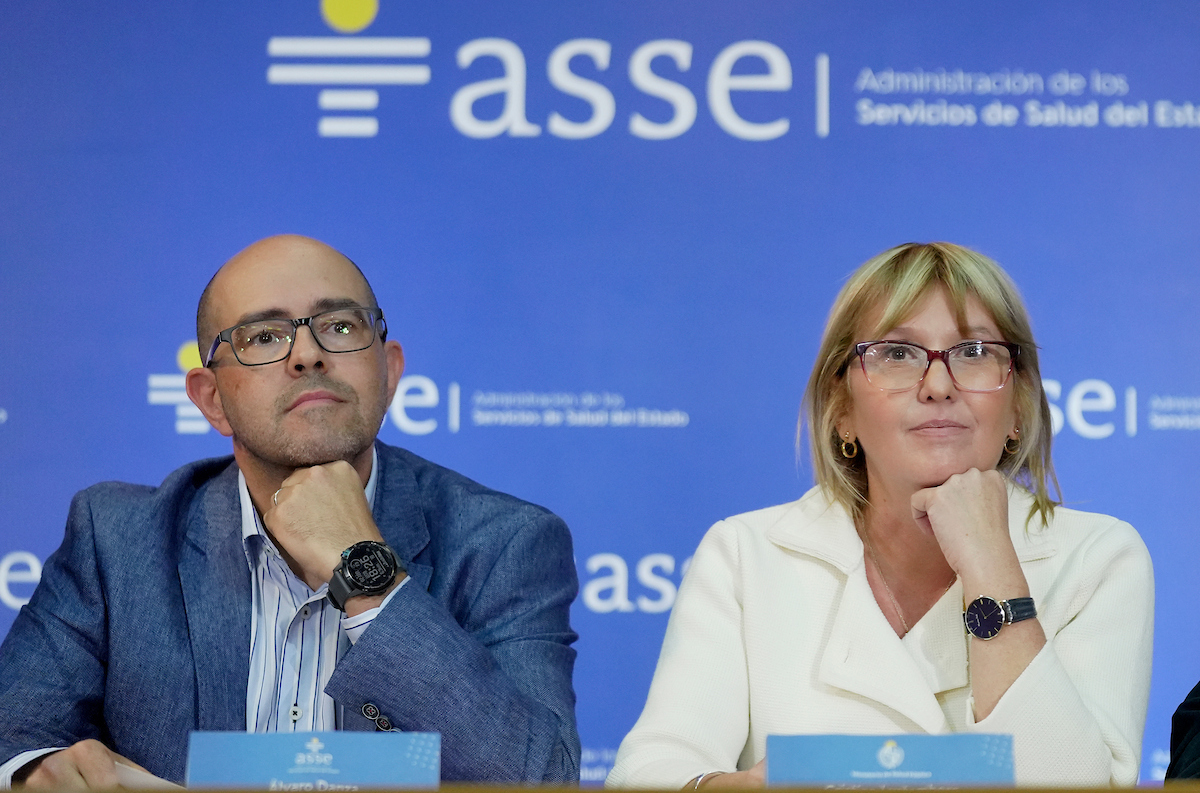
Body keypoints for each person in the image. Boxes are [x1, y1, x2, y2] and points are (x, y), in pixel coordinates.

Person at [0, 235, 580, 788]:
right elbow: (13, 735)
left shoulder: (504, 543)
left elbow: (541, 781)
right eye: (263, 337)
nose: (307, 353)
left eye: (340, 326)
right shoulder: (119, 541)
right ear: (211, 399)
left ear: (391, 371)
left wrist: (368, 574)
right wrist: (36, 771)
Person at [606, 242, 1153, 788]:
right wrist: (749, 789)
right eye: (896, 354)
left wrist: (990, 564)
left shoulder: (1098, 556)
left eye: (974, 352)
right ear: (841, 408)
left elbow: (1079, 788)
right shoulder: (748, 552)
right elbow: (649, 773)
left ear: (1019, 405)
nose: (938, 386)